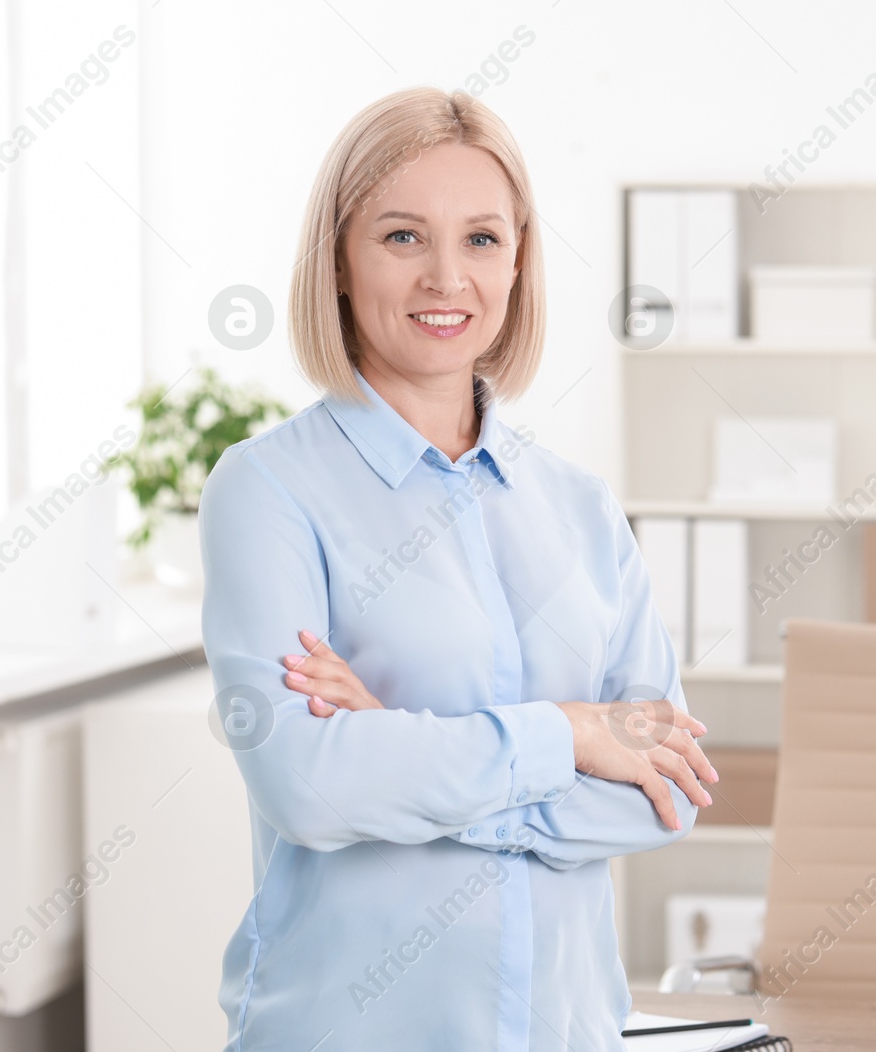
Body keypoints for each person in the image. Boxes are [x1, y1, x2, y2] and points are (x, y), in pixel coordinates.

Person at [199, 85, 718, 1052]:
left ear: (518, 262)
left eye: (481, 239)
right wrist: (569, 733)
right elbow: (310, 788)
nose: (447, 276)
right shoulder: (266, 491)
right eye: (403, 236)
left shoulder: (582, 510)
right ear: (340, 263)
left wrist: (397, 750)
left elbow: (668, 788)